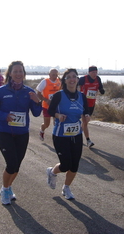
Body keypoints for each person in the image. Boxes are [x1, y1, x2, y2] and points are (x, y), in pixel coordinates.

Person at [0, 61, 42, 205]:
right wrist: (4, 116)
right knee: (11, 164)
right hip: (5, 132)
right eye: (15, 71)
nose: (18, 74)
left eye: (21, 71)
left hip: (22, 133)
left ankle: (8, 186)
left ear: (24, 74)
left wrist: (37, 102)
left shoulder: (28, 92)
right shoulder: (1, 91)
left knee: (17, 165)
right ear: (10, 73)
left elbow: (36, 114)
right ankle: (4, 189)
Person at [46, 68, 90, 200]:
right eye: (69, 77)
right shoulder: (59, 95)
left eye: (74, 77)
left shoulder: (82, 96)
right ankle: (52, 172)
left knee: (75, 165)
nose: (72, 79)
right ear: (65, 81)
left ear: (77, 80)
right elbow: (50, 110)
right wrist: (58, 115)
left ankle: (66, 188)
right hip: (60, 135)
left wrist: (87, 116)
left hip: (76, 134)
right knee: (65, 165)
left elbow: (86, 111)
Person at [78, 66, 105, 148]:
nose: (95, 74)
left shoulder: (98, 79)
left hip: (91, 104)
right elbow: (76, 87)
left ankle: (78, 132)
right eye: (93, 72)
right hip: (83, 104)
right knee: (85, 121)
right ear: (89, 72)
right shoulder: (83, 79)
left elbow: (100, 87)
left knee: (86, 121)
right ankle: (88, 140)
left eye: (96, 72)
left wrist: (102, 90)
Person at [36, 68, 61, 141]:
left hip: (56, 106)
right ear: (49, 75)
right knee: (47, 124)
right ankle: (42, 130)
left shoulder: (59, 82)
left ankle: (56, 137)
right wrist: (46, 100)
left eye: (56, 75)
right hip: (46, 106)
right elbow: (38, 93)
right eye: (53, 75)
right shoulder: (45, 82)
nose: (55, 76)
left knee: (56, 123)